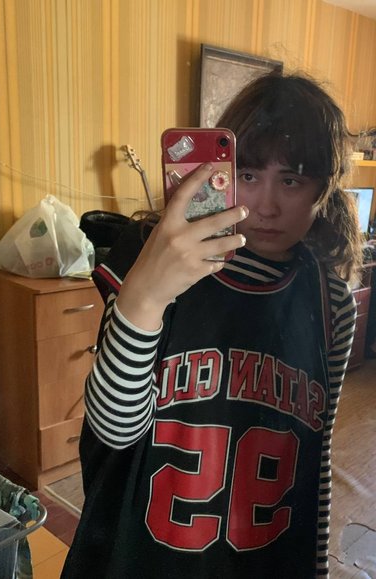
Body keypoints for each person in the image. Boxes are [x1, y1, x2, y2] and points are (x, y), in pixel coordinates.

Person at [61, 72, 362, 578]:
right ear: (218, 170)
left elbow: (317, 456)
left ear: (324, 187)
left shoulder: (331, 301)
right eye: (248, 174)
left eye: (291, 180)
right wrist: (146, 296)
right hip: (142, 559)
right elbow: (112, 430)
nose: (266, 205)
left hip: (261, 560)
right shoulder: (153, 262)